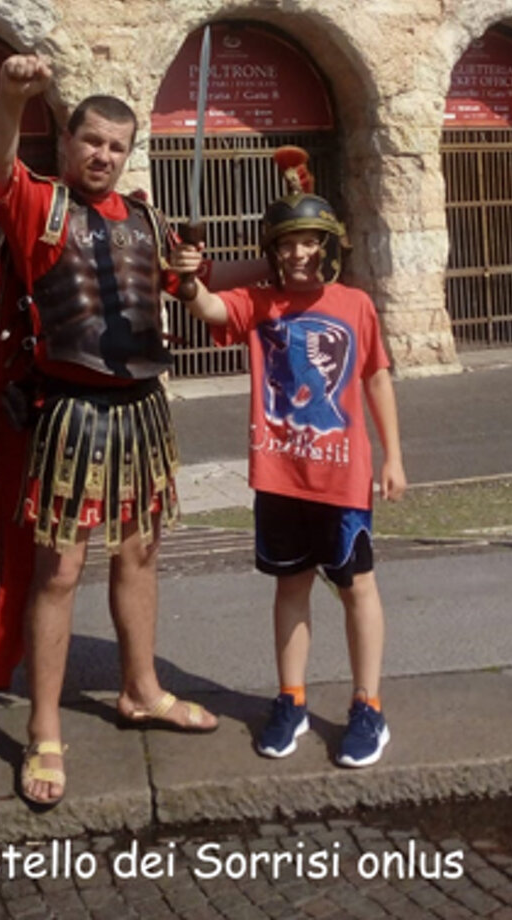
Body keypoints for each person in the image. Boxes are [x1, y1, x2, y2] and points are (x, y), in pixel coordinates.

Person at [0, 53, 217, 809]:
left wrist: (196, 271)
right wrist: (11, 94)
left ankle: (141, 689)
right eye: (92, 141)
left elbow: (183, 291)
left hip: (144, 410)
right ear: (68, 142)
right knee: (60, 572)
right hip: (69, 413)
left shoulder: (146, 217)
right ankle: (45, 729)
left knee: (140, 557)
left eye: (117, 145)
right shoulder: (37, 207)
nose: (103, 155)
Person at [171, 147, 406, 768]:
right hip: (280, 474)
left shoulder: (355, 304)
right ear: (273, 249)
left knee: (357, 587)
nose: (298, 253)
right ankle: (292, 699)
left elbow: (377, 377)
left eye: (308, 242)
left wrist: (392, 457)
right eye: (287, 243)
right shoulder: (259, 301)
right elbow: (211, 309)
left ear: (327, 245)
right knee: (290, 587)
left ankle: (368, 706)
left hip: (342, 476)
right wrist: (189, 279)